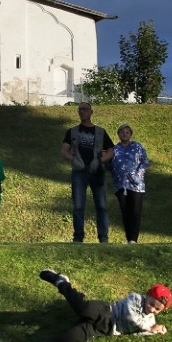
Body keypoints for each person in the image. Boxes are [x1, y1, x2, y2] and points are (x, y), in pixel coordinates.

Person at [19, 269, 172, 342]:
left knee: (72, 337)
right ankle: (62, 282)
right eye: (151, 303)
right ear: (147, 296)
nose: (152, 309)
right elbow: (129, 317)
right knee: (82, 308)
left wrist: (155, 330)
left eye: (157, 309)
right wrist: (149, 328)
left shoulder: (151, 321)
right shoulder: (136, 298)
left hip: (103, 329)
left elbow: (137, 332)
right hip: (105, 312)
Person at [61, 102, 115, 243]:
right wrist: (74, 159)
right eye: (80, 110)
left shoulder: (100, 132)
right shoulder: (72, 131)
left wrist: (103, 160)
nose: (82, 112)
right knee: (78, 205)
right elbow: (64, 151)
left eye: (85, 109)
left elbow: (111, 150)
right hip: (79, 172)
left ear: (91, 112)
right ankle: (78, 237)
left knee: (101, 205)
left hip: (97, 171)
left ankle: (103, 237)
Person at [110, 123, 150, 244]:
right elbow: (108, 165)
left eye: (127, 132)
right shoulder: (114, 149)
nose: (124, 134)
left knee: (135, 212)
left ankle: (134, 239)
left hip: (136, 185)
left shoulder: (137, 146)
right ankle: (129, 239)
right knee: (125, 212)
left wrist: (139, 174)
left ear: (130, 134)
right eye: (122, 132)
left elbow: (145, 161)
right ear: (118, 134)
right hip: (120, 184)